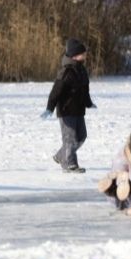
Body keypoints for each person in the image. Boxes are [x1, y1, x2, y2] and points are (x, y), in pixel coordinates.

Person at [43, 39, 94, 173]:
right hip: (66, 111)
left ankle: (61, 156)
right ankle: (70, 164)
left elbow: (85, 90)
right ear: (74, 55)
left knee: (81, 137)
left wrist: (88, 103)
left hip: (79, 110)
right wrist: (50, 107)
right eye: (83, 53)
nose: (85, 55)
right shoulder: (65, 72)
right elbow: (55, 92)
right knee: (70, 139)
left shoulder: (82, 71)